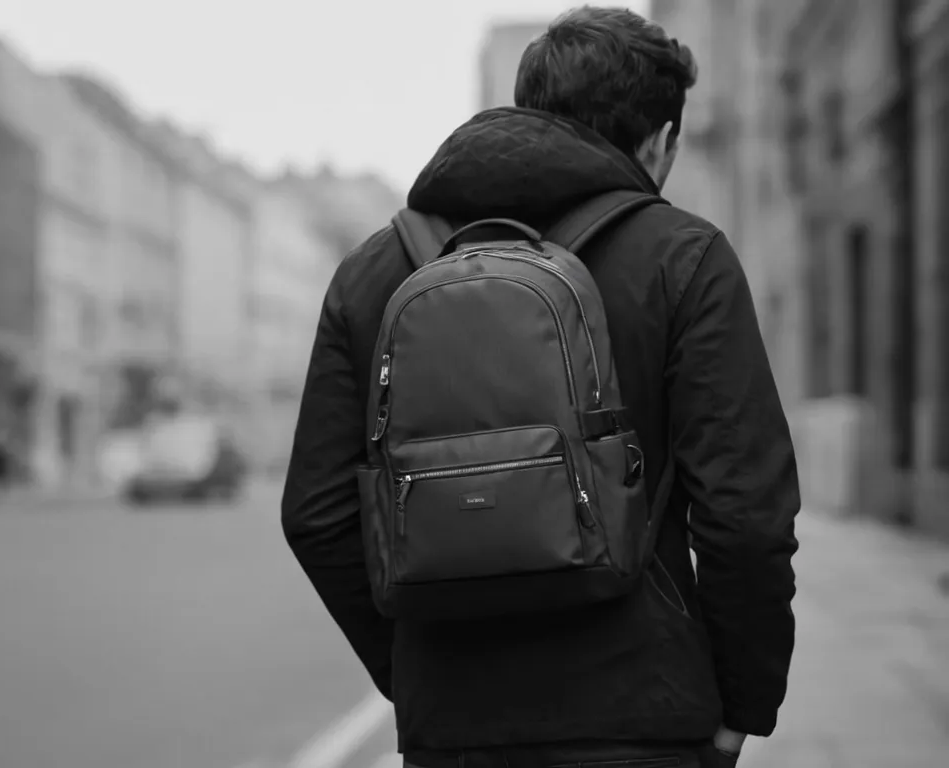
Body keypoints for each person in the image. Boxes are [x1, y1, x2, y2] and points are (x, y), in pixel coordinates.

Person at [281, 7, 801, 768]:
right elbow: (745, 516)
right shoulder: (684, 259)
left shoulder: (375, 274)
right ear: (659, 142)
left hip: (452, 730)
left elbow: (317, 513)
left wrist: (418, 676)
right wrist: (744, 704)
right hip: (642, 722)